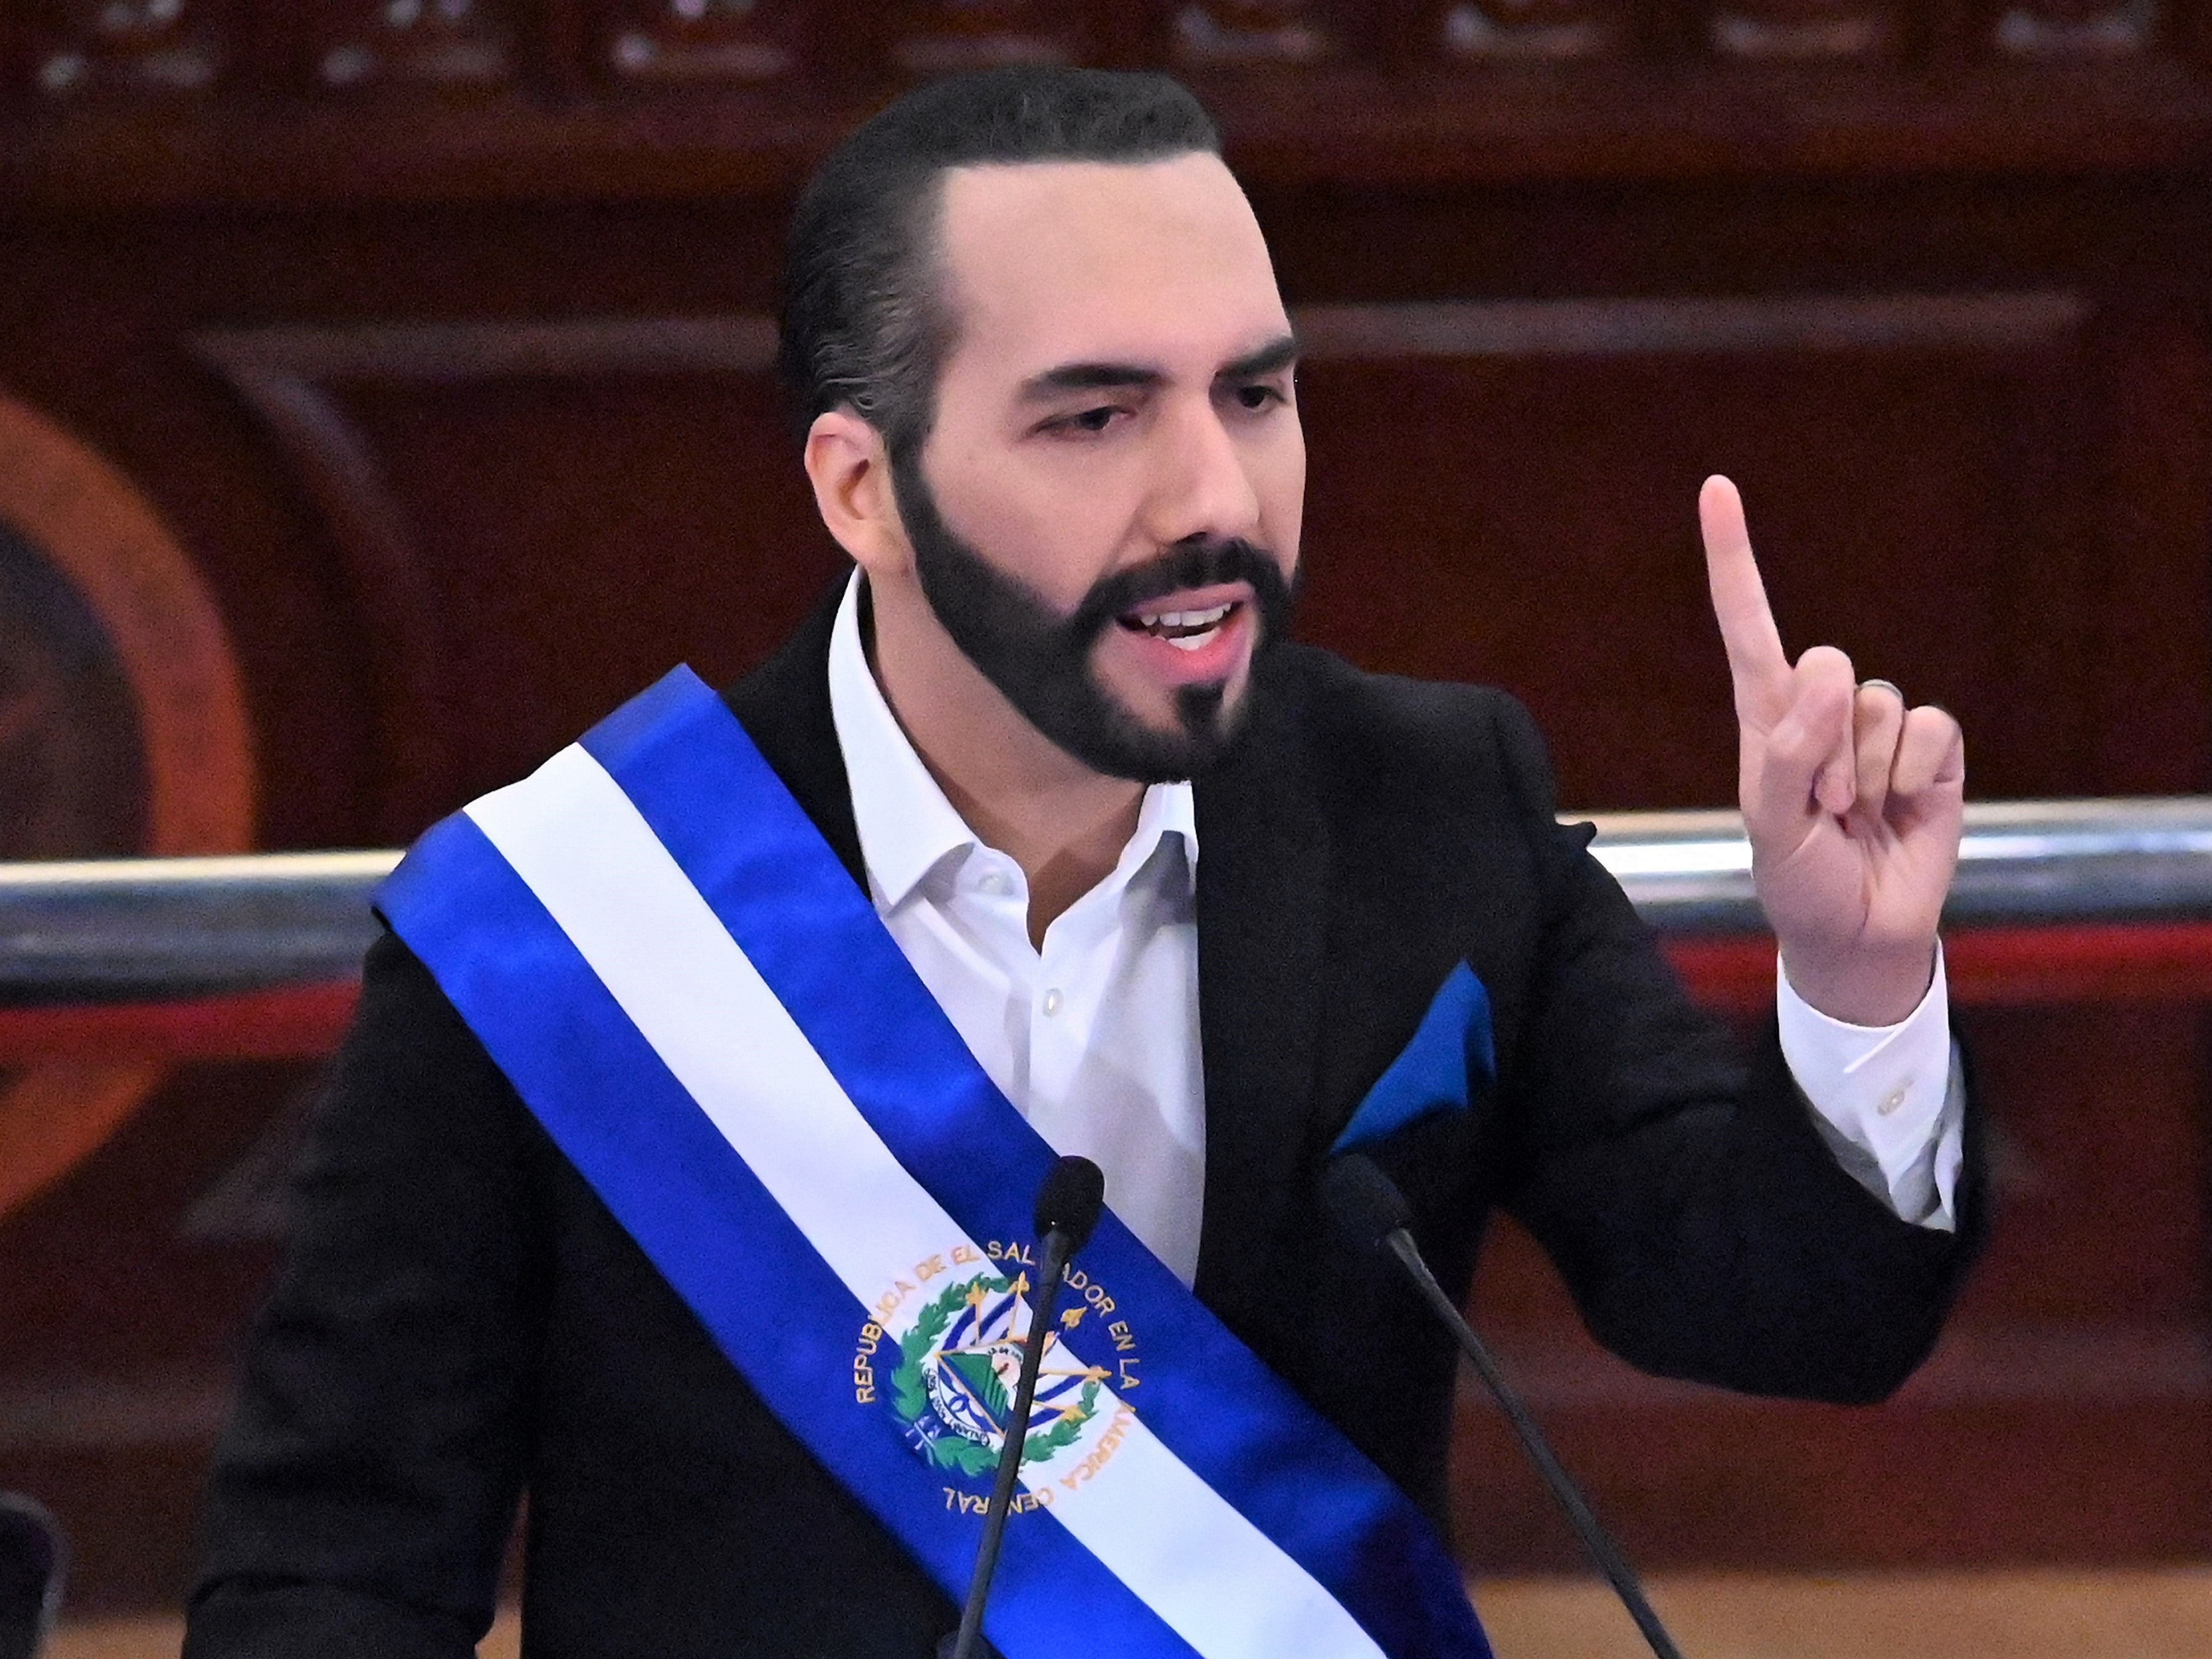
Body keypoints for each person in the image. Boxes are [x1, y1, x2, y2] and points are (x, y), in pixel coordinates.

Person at [184, 67, 1981, 1659]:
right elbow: (333, 1564)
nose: (1213, 494)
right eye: (1095, 415)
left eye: (1257, 396)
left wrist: (1856, 979)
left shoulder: (1436, 803)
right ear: (859, 486)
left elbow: (1782, 1306)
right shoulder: (571, 921)